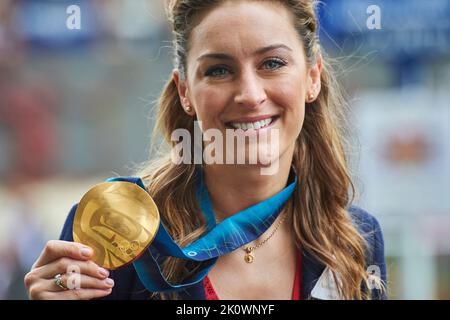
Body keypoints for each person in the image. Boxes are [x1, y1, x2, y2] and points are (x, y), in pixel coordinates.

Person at [24, 0, 387, 300]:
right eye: (218, 70)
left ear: (312, 76)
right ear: (185, 92)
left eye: (272, 64)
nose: (250, 94)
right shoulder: (113, 227)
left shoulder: (354, 241)